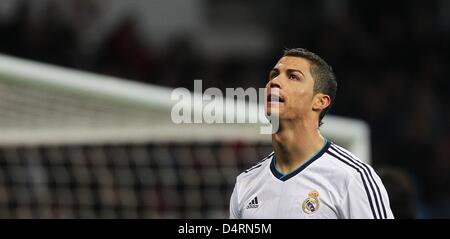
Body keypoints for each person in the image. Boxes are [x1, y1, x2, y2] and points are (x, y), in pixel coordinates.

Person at [229, 48, 394, 219]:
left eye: (293, 76)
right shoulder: (246, 183)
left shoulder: (352, 178)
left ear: (320, 101)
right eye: (274, 75)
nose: (275, 82)